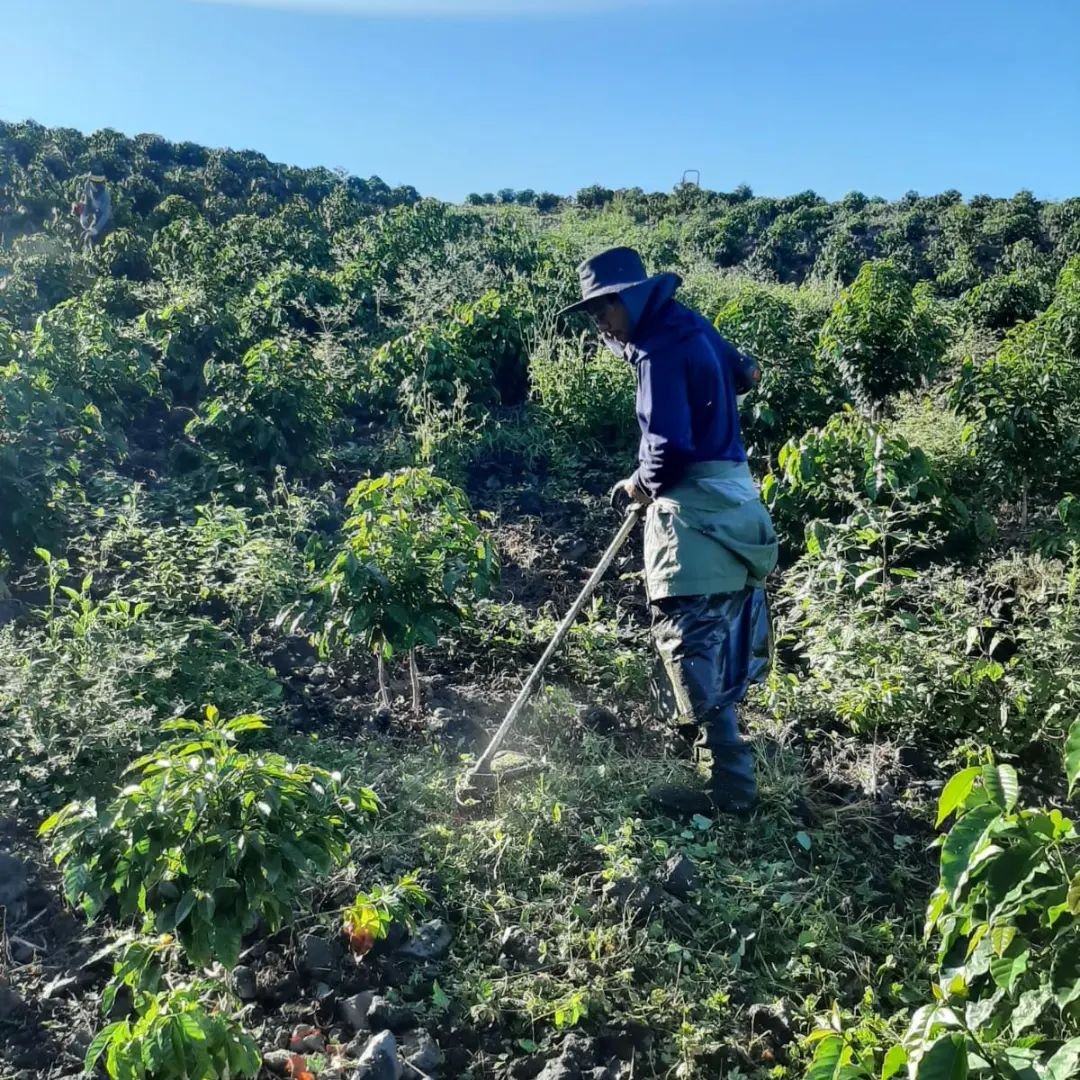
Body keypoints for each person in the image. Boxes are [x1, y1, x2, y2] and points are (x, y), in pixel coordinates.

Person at [559, 246, 778, 819]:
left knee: (688, 635)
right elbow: (747, 372)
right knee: (715, 630)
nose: (600, 323)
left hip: (698, 509)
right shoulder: (689, 325)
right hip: (737, 495)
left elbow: (668, 446)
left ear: (632, 299)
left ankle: (729, 788)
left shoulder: (657, 348)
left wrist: (637, 485)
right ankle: (714, 756)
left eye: (605, 310)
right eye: (593, 314)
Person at [76, 174, 112, 251]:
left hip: (103, 219)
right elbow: (87, 202)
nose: (97, 186)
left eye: (99, 184)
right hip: (92, 213)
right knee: (83, 235)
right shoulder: (87, 186)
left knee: (94, 239)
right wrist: (83, 217)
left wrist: (96, 229)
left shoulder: (105, 196)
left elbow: (105, 215)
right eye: (95, 183)